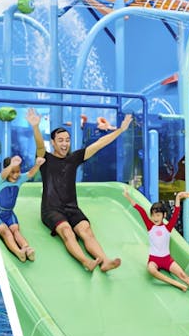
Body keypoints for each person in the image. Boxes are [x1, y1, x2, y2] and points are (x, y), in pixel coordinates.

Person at [26, 106, 131, 273]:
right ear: (53, 143)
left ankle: (105, 261)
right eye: (60, 140)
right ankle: (86, 261)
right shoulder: (46, 159)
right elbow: (39, 146)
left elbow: (99, 144)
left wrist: (120, 130)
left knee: (86, 230)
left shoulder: (73, 159)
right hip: (51, 209)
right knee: (67, 231)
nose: (64, 144)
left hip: (72, 208)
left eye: (67, 140)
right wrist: (35, 127)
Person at [126, 186, 189, 300]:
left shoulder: (168, 227)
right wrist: (128, 197)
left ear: (164, 215)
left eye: (158, 215)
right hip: (154, 259)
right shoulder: (150, 226)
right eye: (153, 215)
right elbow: (140, 210)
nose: (155, 218)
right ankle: (176, 284)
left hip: (166, 259)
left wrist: (178, 197)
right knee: (151, 269)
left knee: (183, 275)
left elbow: (176, 213)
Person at [0, 154, 44, 262]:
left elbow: (30, 173)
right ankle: (18, 252)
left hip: (9, 214)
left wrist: (37, 165)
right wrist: (11, 165)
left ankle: (26, 249)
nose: (16, 175)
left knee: (16, 231)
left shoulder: (19, 180)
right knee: (6, 232)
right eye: (12, 172)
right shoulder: (0, 180)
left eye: (18, 171)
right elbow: (4, 174)